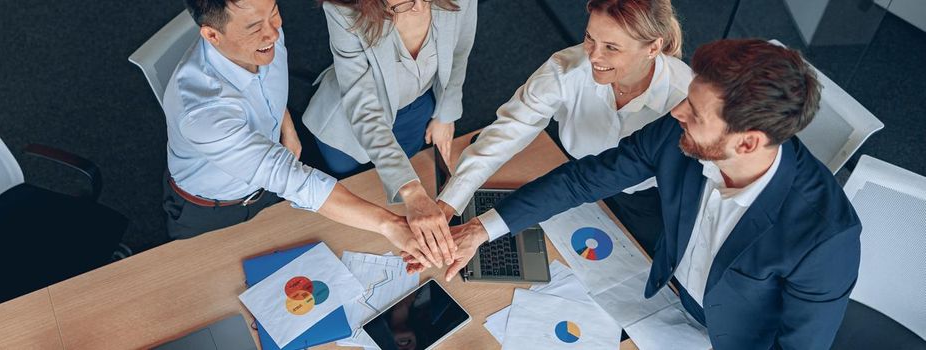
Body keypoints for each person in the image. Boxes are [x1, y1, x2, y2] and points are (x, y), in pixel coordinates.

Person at [422, 39, 860, 349]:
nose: (676, 112)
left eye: (695, 113)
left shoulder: (826, 237)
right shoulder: (678, 132)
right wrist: (482, 229)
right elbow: (584, 179)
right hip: (662, 290)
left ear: (746, 143)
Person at [163, 0, 447, 268]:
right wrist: (392, 225)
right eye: (255, 27)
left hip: (274, 183)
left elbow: (262, 88)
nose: (273, 32)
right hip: (213, 210)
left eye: (274, 12)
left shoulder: (261, 39)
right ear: (212, 35)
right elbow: (295, 181)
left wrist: (286, 125)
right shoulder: (201, 113)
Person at [436, 0, 689, 255]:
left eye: (611, 47)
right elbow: (508, 131)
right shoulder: (566, 68)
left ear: (653, 47)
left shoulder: (684, 102)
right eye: (590, 37)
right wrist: (449, 203)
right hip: (572, 178)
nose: (593, 56)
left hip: (643, 199)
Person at [302, 0, 479, 264]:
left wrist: (445, 114)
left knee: (401, 167)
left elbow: (459, 51)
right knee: (349, 183)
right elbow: (364, 109)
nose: (420, 7)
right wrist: (412, 192)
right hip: (350, 123)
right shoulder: (343, 10)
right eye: (403, 4)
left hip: (418, 105)